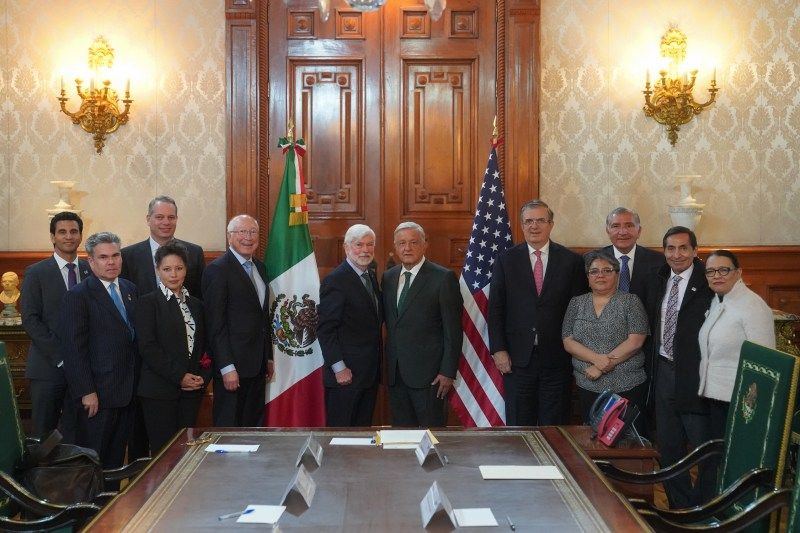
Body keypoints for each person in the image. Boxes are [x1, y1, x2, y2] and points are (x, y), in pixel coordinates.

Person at [488, 199, 588, 425]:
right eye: (529, 221)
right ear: (522, 225)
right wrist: (499, 349)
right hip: (517, 359)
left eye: (541, 220)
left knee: (554, 425)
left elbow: (579, 311)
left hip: (558, 358)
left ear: (551, 224)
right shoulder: (506, 260)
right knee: (519, 424)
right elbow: (496, 308)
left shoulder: (571, 261)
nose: (534, 226)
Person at [649, 226, 714, 508]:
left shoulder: (709, 281)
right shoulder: (658, 278)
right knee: (669, 445)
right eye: (670, 248)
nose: (677, 255)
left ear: (695, 251)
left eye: (683, 248)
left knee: (703, 445)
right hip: (664, 370)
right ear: (664, 252)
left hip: (696, 374)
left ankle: (705, 508)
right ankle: (680, 508)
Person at [61, 232, 138, 471]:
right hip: (98, 395)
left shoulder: (130, 289)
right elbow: (73, 350)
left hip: (127, 392)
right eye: (104, 257)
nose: (111, 262)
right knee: (93, 462)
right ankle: (92, 499)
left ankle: (112, 497)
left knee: (116, 462)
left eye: (116, 255)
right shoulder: (78, 295)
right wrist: (86, 391)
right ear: (91, 261)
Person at [382, 222, 462, 427]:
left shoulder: (443, 278)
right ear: (395, 246)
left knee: (431, 435)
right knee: (401, 437)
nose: (407, 248)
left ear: (425, 244)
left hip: (431, 377)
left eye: (413, 242)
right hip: (396, 375)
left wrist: (448, 372)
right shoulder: (389, 277)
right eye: (401, 243)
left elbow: (453, 331)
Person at [21, 211, 90, 439]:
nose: (68, 236)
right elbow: (30, 319)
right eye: (62, 232)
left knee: (79, 435)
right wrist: (61, 357)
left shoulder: (91, 270)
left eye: (73, 231)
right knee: (44, 435)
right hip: (48, 368)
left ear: (80, 235)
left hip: (84, 370)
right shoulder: (36, 272)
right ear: (53, 237)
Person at [136, 243, 210, 453]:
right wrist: (180, 376)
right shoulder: (147, 303)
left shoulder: (196, 305)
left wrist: (202, 377)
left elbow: (205, 346)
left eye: (179, 268)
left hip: (191, 392)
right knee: (164, 453)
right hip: (159, 392)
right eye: (167, 269)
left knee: (187, 450)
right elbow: (148, 348)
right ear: (158, 270)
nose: (173, 274)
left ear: (186, 269)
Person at [562, 251, 649, 430]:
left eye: (607, 270)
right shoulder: (576, 303)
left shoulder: (631, 301)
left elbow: (635, 341)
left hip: (627, 384)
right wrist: (597, 360)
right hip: (587, 384)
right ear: (588, 277)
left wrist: (601, 366)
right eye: (594, 271)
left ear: (617, 275)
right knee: (592, 436)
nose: (600, 275)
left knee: (626, 439)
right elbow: (568, 341)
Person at [202, 214, 272, 427]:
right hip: (232, 367)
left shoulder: (260, 268)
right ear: (229, 236)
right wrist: (226, 366)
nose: (248, 237)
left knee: (253, 426)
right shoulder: (217, 270)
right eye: (242, 232)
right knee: (229, 426)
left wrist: (268, 358)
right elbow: (215, 324)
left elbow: (263, 319)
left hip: (257, 366)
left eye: (253, 232)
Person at [698, 250, 775, 440]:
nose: (716, 276)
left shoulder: (753, 306)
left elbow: (765, 359)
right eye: (710, 271)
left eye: (724, 270)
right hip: (716, 395)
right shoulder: (718, 300)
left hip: (741, 398)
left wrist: (752, 401)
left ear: (738, 272)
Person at [317, 224, 382, 427]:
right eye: (359, 245)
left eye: (370, 244)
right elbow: (325, 329)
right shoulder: (336, 280)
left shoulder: (370, 275)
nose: (365, 250)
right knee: (341, 435)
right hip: (346, 375)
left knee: (362, 433)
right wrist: (339, 368)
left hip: (368, 373)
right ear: (346, 247)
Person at [121, 195, 205, 298]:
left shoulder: (194, 252)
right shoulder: (128, 256)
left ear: (176, 219)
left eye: (171, 217)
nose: (166, 222)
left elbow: (200, 295)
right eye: (159, 217)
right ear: (148, 219)